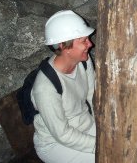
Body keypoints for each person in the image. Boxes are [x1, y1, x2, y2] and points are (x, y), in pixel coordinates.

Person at [31, 10, 96, 163]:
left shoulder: (84, 62)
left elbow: (93, 96)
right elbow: (62, 135)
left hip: (84, 125)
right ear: (64, 46)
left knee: (120, 140)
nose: (90, 44)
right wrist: (99, 144)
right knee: (108, 156)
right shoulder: (45, 88)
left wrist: (104, 125)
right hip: (54, 144)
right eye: (83, 41)